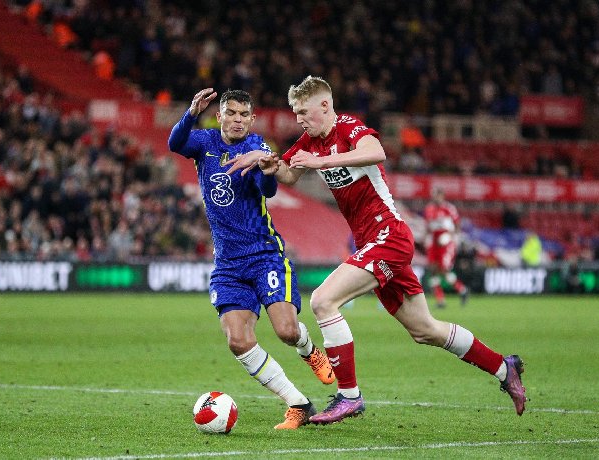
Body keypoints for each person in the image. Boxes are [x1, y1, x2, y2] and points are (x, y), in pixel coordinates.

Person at [226, 76, 526, 424]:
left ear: (325, 105)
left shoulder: (351, 128)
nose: (299, 120)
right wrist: (265, 160)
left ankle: (349, 397)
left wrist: (323, 163)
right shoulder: (310, 140)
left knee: (323, 301)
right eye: (296, 114)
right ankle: (505, 369)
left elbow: (376, 152)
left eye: (304, 112)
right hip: (374, 243)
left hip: (389, 236)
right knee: (425, 330)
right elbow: (290, 174)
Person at [168, 88, 335, 430]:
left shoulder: (257, 149)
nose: (238, 120)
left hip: (264, 257)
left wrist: (268, 168)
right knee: (238, 340)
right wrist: (190, 113)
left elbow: (269, 190)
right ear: (221, 115)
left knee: (287, 331)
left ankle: (308, 349)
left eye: (244, 115)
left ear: (252, 119)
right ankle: (298, 403)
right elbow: (175, 144)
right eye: (231, 113)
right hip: (228, 265)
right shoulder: (204, 142)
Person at [424, 187, 469, 308]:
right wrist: (426, 239)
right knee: (433, 269)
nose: (436, 198)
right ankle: (440, 300)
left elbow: (457, 225)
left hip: (446, 243)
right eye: (434, 195)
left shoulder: (449, 208)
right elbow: (428, 226)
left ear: (442, 196)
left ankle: (462, 290)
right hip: (434, 242)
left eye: (438, 195)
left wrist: (451, 237)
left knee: (444, 270)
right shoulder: (429, 209)